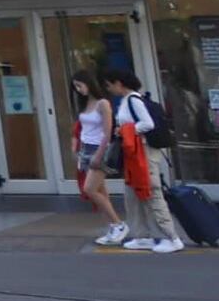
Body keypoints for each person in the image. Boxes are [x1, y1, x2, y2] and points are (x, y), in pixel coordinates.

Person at [110, 78, 182, 253]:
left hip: (144, 152)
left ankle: (170, 237)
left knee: (151, 192)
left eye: (109, 84)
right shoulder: (126, 101)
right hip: (134, 154)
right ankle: (142, 236)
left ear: (120, 83)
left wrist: (125, 130)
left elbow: (147, 124)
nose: (109, 88)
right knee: (133, 194)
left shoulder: (133, 100)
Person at [75, 85, 122, 246]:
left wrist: (99, 154)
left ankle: (118, 225)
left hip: (99, 149)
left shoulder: (103, 103)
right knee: (101, 192)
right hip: (86, 148)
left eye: (80, 84)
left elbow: (107, 132)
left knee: (90, 189)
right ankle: (112, 226)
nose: (79, 89)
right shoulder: (84, 104)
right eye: (75, 86)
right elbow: (82, 129)